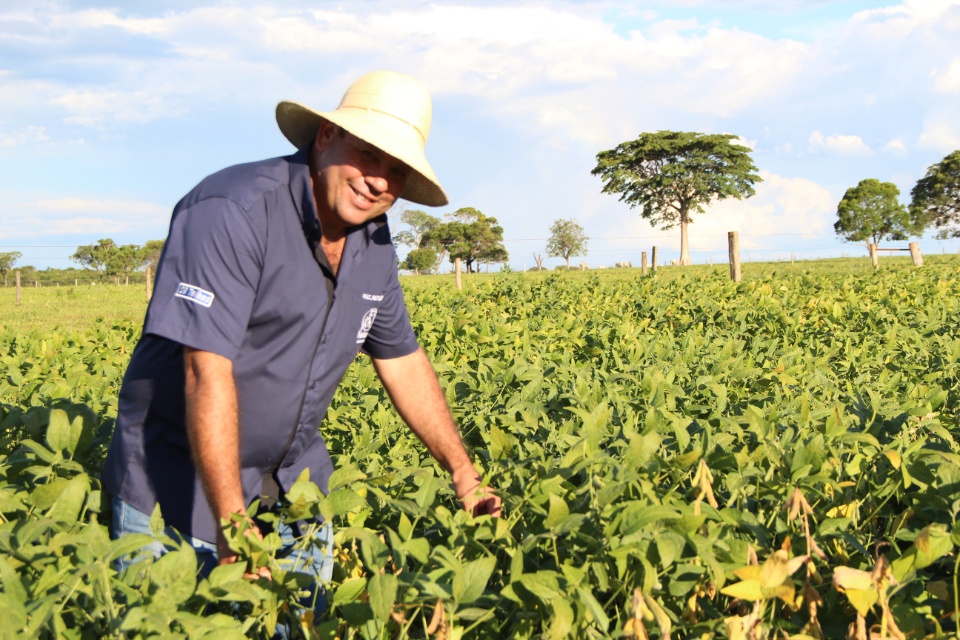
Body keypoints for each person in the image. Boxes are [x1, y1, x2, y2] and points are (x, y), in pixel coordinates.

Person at [101, 70, 501, 617]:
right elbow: (205, 370)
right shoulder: (233, 210)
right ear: (325, 137)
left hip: (295, 498)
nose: (378, 180)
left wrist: (462, 472)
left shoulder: (374, 243)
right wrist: (233, 525)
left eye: (396, 170)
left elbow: (401, 359)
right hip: (180, 500)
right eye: (368, 154)